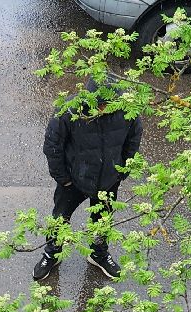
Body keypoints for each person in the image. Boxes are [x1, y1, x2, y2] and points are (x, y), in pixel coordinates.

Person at [33, 75, 143, 282]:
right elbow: (52, 146)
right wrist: (63, 178)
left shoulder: (127, 110)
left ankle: (98, 253)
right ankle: (52, 253)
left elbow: (134, 138)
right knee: (60, 218)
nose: (102, 109)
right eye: (98, 104)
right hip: (73, 180)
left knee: (102, 220)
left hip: (108, 179)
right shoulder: (69, 111)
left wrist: (123, 170)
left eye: (107, 104)